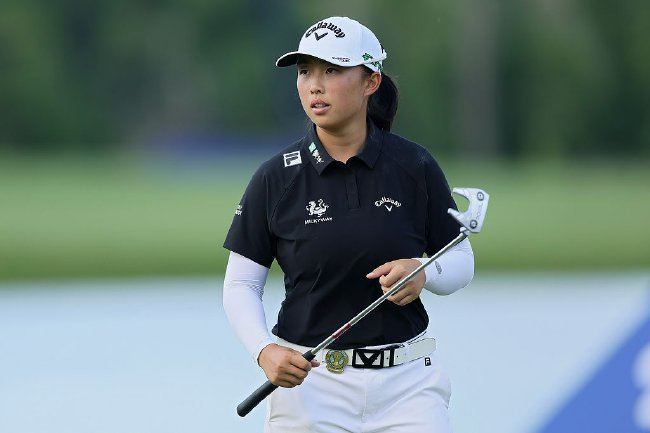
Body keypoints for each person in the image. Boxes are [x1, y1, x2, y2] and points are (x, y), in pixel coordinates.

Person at [223, 16, 475, 433]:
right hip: (310, 388)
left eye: (331, 71)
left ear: (370, 82)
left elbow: (462, 261)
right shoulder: (276, 178)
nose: (314, 85)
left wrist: (424, 271)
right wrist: (264, 350)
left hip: (408, 386)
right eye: (305, 72)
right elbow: (241, 285)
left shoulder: (414, 166)